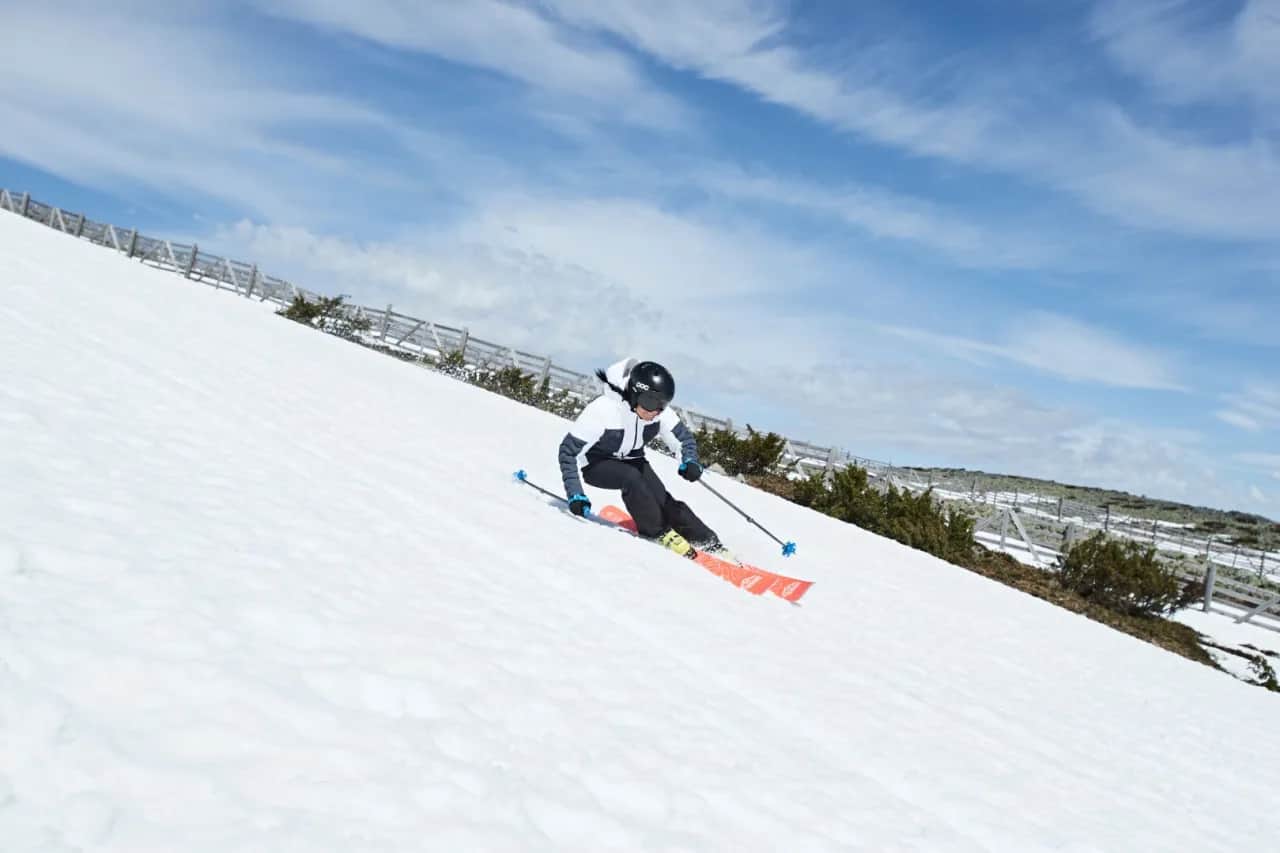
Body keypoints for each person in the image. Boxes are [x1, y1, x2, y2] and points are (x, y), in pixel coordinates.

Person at [557, 357, 722, 557]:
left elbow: (683, 439)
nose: (656, 412)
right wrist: (575, 493)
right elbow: (568, 451)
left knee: (664, 500)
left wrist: (690, 460)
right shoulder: (602, 410)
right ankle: (657, 531)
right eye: (651, 403)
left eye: (661, 405)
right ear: (635, 395)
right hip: (597, 464)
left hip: (634, 459)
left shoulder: (657, 412)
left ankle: (710, 544)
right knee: (631, 478)